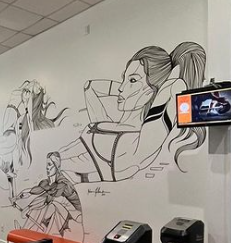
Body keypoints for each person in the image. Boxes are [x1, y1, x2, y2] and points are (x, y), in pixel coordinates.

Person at [59, 42, 206, 182]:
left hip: (119, 155)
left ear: (153, 90)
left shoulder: (146, 133)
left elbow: (177, 87)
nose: (121, 88)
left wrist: (143, 91)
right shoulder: (118, 123)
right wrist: (131, 90)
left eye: (133, 80)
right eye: (124, 79)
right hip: (99, 158)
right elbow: (90, 86)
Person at [13, 152, 83, 240]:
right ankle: (26, 231)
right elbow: (33, 191)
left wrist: (28, 207)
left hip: (74, 215)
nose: (47, 168)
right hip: (61, 211)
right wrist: (18, 197)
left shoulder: (63, 183)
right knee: (42, 205)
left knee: (48, 205)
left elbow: (48, 197)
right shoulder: (47, 182)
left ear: (56, 166)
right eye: (47, 165)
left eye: (50, 165)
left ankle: (26, 232)